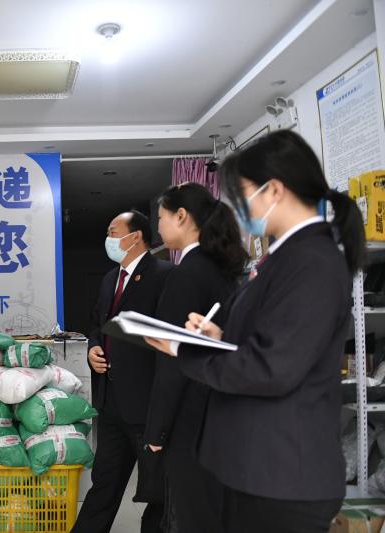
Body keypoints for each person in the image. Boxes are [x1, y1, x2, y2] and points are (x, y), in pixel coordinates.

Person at [145, 130, 365, 533]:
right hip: (257, 468)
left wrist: (186, 350)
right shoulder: (286, 257)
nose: (239, 208)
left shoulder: (312, 262)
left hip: (283, 474)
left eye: (243, 195)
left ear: (274, 190)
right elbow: (266, 342)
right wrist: (217, 338)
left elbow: (272, 368)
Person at [144, 183, 247, 532]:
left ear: (181, 217)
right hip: (221, 413)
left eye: (161, 217)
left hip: (191, 418)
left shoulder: (187, 274)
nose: (158, 227)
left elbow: (173, 359)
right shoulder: (221, 270)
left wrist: (157, 430)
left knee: (191, 515)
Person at [72, 210, 172, 533]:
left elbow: (169, 341)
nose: (108, 239)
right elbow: (97, 324)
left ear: (135, 236)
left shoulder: (164, 276)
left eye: (113, 232)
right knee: (104, 483)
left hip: (147, 404)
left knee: (157, 491)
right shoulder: (108, 280)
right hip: (111, 401)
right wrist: (93, 348)